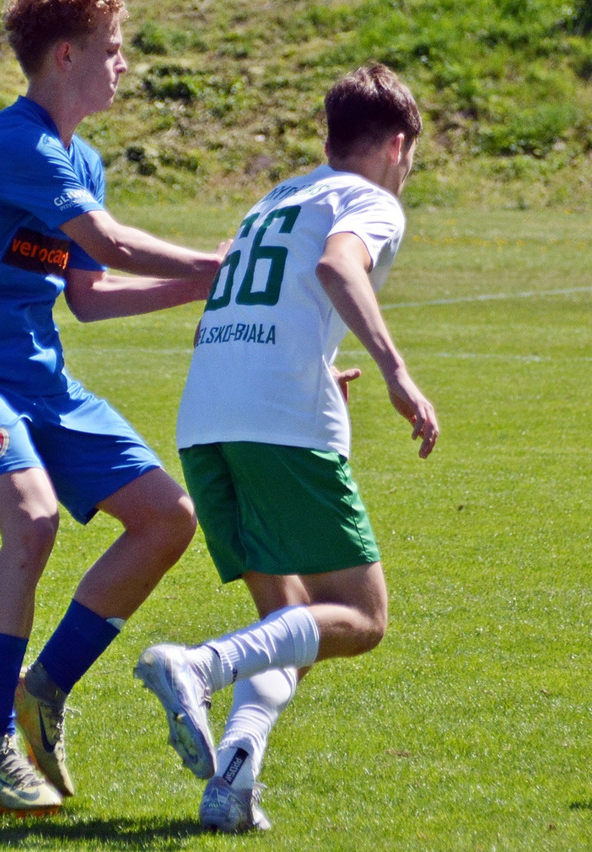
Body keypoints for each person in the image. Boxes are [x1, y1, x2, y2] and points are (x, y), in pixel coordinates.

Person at [0, 0, 228, 816]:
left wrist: (199, 287)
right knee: (33, 517)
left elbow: (88, 295)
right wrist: (216, 264)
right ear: (66, 56)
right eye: (112, 48)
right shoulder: (13, 143)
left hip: (45, 383)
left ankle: (43, 688)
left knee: (168, 518)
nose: (123, 63)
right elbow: (113, 244)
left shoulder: (83, 158)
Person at [134, 63, 440, 832]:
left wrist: (308, 364)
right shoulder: (369, 201)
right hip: (281, 426)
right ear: (397, 146)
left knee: (288, 629)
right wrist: (397, 374)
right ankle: (198, 664)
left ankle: (233, 780)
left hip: (206, 424)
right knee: (362, 618)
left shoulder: (274, 198)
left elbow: (235, 309)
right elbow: (338, 266)